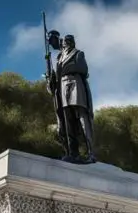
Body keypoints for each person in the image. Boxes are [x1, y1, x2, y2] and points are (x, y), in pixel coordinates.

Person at [46, 31, 96, 163]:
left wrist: (63, 69)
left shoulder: (78, 54)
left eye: (68, 41)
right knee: (68, 123)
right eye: (65, 42)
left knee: (82, 120)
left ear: (72, 43)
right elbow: (56, 78)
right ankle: (74, 153)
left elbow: (83, 69)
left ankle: (91, 153)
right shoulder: (59, 58)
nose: (66, 44)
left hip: (76, 87)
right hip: (63, 91)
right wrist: (51, 79)